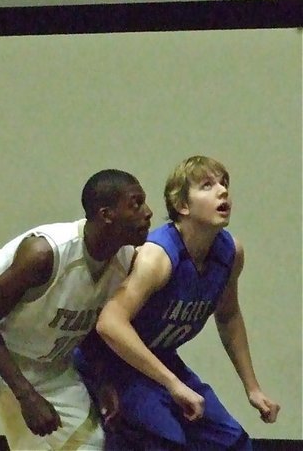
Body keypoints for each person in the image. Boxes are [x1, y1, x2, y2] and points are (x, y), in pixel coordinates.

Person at [0, 169, 153, 450]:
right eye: (136, 203)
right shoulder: (44, 253)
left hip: (43, 357)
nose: (147, 212)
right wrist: (25, 395)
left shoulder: (125, 262)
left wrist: (101, 380)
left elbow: (95, 328)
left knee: (87, 445)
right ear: (106, 214)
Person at [83, 155, 280, 450]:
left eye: (224, 183)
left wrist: (252, 388)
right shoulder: (158, 257)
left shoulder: (230, 252)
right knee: (163, 438)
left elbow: (227, 316)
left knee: (233, 442)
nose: (223, 191)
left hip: (160, 358)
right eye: (207, 185)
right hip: (112, 363)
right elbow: (109, 323)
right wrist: (173, 384)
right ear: (182, 206)